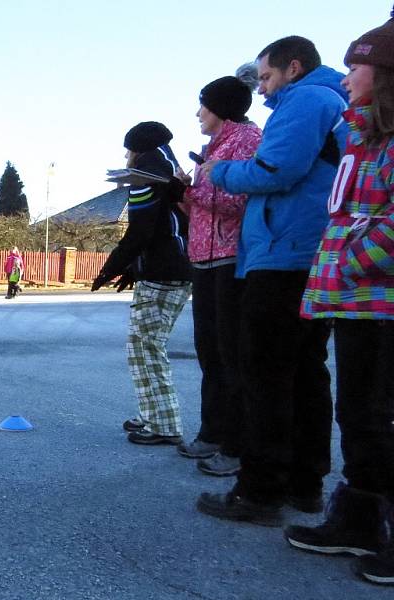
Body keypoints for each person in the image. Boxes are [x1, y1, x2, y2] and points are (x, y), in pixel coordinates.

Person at [195, 37, 349, 525]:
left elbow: (275, 169)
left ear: (293, 68)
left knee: (265, 372)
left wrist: (219, 172)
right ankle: (305, 485)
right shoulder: (334, 101)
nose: (260, 91)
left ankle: (259, 490)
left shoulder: (306, 99)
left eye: (265, 78)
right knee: (305, 372)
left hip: (285, 252)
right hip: (308, 250)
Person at [284, 9, 394, 586]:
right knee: (359, 413)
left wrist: (351, 260)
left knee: (381, 414)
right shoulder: (362, 136)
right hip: (355, 300)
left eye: (359, 66)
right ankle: (357, 519)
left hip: (381, 299)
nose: (348, 76)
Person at [176, 65, 263, 476]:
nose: (197, 114)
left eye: (203, 107)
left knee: (231, 356)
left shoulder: (248, 140)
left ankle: (234, 445)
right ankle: (211, 432)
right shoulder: (211, 148)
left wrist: (196, 192)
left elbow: (239, 202)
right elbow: (203, 206)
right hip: (203, 260)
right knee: (208, 352)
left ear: (220, 109)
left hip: (231, 260)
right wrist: (181, 195)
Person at [92, 121, 193, 445]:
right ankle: (152, 414)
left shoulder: (145, 176)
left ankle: (164, 424)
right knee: (144, 347)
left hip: (163, 274)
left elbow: (141, 231)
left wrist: (109, 269)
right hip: (172, 269)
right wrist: (133, 270)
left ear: (138, 149)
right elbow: (165, 226)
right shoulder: (170, 171)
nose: (125, 155)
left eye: (128, 148)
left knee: (146, 347)